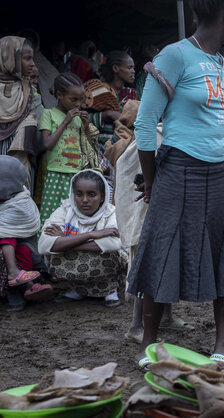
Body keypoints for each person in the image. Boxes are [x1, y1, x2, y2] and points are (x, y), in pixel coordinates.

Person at [130, 0, 224, 367]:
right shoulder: (174, 56)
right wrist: (151, 181)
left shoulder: (218, 62)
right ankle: (150, 343)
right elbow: (144, 125)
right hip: (179, 168)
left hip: (222, 171)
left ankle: (222, 344)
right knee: (162, 247)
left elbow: (219, 116)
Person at [38, 170, 127, 307]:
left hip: (107, 267)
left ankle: (110, 290)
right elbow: (44, 245)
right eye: (79, 194)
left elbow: (113, 244)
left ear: (102, 197)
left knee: (112, 253)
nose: (84, 200)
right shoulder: (64, 210)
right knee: (50, 255)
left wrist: (66, 240)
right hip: (79, 268)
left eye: (91, 194)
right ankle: (78, 289)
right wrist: (90, 235)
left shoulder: (111, 213)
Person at [38, 73, 100, 225]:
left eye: (81, 100)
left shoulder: (79, 119)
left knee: (73, 216)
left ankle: (69, 245)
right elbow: (47, 144)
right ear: (59, 95)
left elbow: (89, 148)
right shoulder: (49, 114)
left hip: (77, 176)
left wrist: (85, 126)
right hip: (56, 172)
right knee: (51, 214)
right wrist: (66, 122)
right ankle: (49, 245)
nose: (78, 104)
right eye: (73, 100)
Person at [0, 156, 48, 310]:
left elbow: (17, 228)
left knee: (22, 250)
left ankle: (25, 286)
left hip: (23, 247)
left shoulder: (21, 201)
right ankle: (17, 290)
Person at [0, 36, 38, 187]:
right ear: (9, 58)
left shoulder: (27, 90)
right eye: (27, 58)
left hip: (17, 156)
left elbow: (30, 121)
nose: (32, 64)